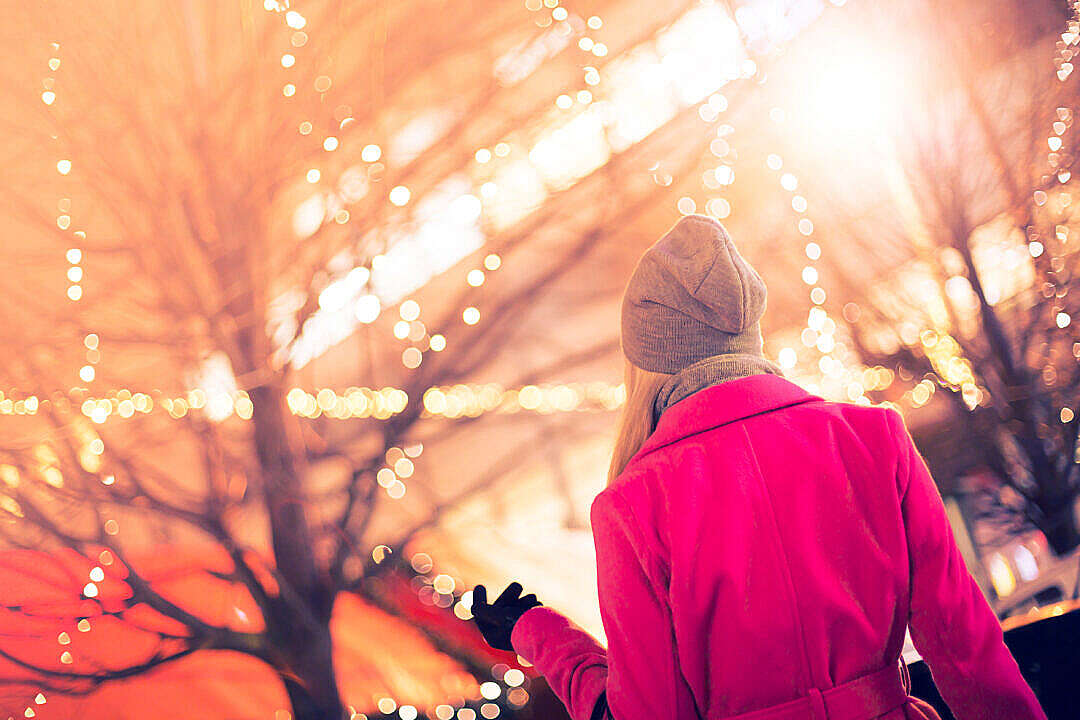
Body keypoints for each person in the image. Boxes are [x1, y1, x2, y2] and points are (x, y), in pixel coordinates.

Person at [471, 214, 1046, 720]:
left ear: (648, 362)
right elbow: (966, 648)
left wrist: (540, 637)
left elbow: (651, 713)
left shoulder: (631, 505)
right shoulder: (874, 437)